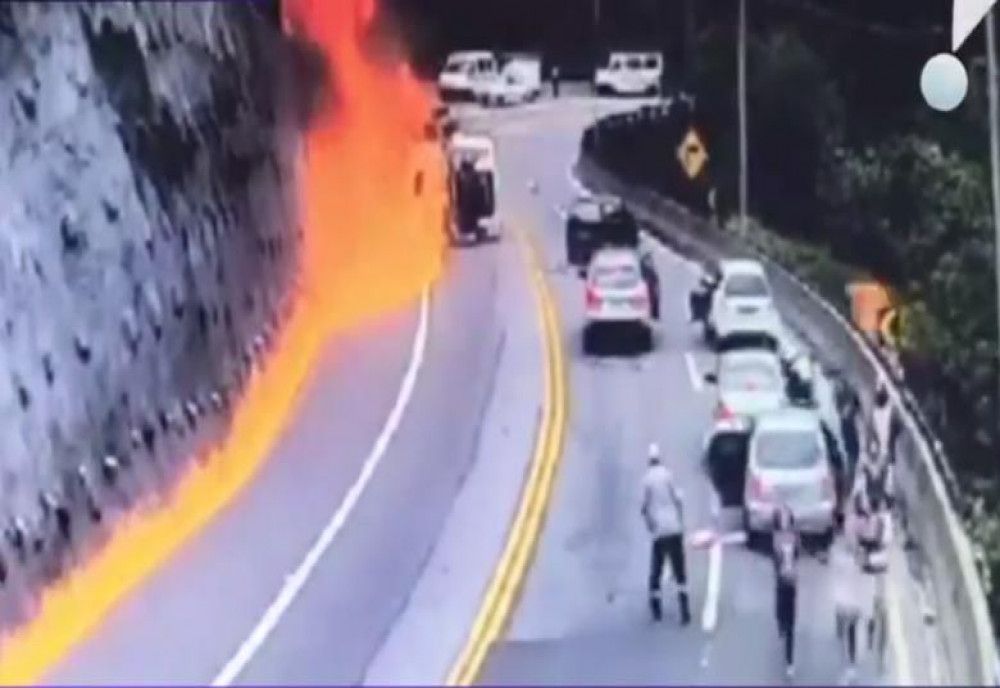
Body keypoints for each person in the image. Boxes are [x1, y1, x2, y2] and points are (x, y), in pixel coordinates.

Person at [641, 443, 691, 625]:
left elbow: (644, 508)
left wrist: (651, 527)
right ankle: (685, 611)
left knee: (656, 572)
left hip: (660, 532)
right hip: (674, 528)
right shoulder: (668, 475)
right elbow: (678, 500)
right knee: (680, 572)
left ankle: (656, 610)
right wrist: (681, 522)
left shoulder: (647, 480)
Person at [832, 537, 872, 684]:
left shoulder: (863, 573)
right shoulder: (847, 564)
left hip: (853, 608)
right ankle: (847, 667)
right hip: (844, 606)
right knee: (843, 636)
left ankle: (850, 668)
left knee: (851, 636)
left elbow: (865, 592)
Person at [773, 505, 800, 678]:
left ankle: (790, 662)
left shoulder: (795, 537)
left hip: (791, 582)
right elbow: (776, 561)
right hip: (781, 581)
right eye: (781, 517)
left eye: (787, 517)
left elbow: (797, 556)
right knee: (779, 613)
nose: (784, 520)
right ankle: (781, 623)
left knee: (791, 624)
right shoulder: (775, 538)